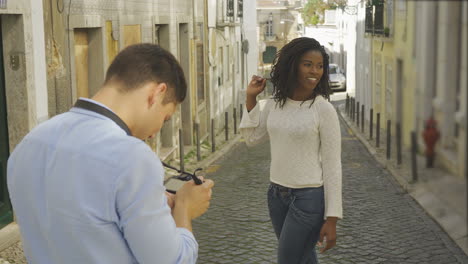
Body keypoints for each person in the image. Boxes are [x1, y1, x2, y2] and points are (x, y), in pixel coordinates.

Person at [7, 43, 214, 264]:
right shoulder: (132, 157)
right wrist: (184, 209)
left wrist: (152, 203)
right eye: (165, 118)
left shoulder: (29, 142)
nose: (155, 134)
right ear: (157, 93)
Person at [239, 37, 342, 264]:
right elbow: (252, 138)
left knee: (288, 259)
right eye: (307, 64)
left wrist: (332, 218)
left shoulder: (323, 109)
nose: (314, 71)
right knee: (303, 258)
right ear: (292, 64)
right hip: (276, 196)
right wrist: (250, 98)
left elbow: (333, 165)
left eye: (319, 66)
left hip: (308, 199)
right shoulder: (275, 103)